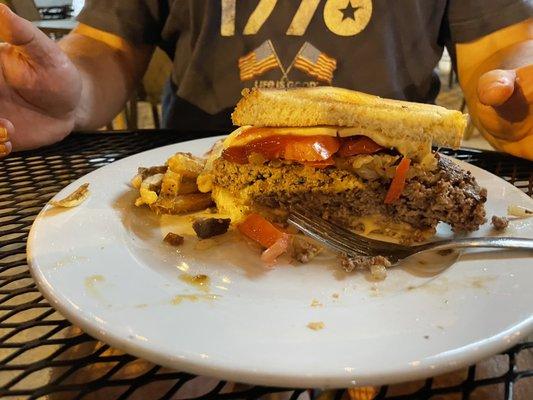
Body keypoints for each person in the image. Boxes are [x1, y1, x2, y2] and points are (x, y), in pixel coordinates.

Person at [0, 1, 531, 159]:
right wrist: (71, 96)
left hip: (398, 181)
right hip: (206, 175)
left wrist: (517, 96)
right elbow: (107, 45)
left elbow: (504, 45)